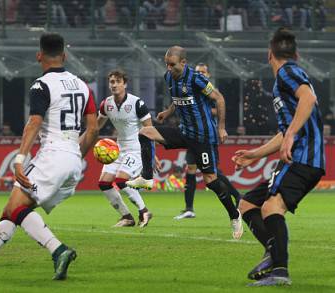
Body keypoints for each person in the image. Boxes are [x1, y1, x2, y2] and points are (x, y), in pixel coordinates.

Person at [0, 32, 99, 280]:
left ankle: (58, 249)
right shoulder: (83, 85)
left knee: (16, 209)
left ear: (39, 55)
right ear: (65, 55)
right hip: (73, 158)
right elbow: (93, 129)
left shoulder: (42, 85)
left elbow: (33, 124)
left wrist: (19, 160)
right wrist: (76, 157)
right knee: (12, 210)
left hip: (53, 154)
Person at [233, 28, 325, 286]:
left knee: (272, 207)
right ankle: (273, 256)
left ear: (269, 54)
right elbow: (286, 131)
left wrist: (291, 135)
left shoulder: (287, 72)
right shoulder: (287, 79)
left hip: (304, 158)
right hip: (302, 156)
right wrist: (254, 154)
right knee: (247, 205)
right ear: (296, 53)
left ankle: (280, 270)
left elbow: (308, 98)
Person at [126, 46, 243, 239]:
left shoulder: (196, 79)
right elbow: (177, 98)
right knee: (145, 132)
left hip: (203, 137)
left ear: (183, 63)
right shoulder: (169, 77)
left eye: (172, 65)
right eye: (167, 64)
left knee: (211, 180)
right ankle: (147, 178)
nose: (169, 68)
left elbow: (219, 99)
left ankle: (234, 214)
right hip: (184, 132)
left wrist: (221, 127)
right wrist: (168, 112)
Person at [174, 63, 241, 220]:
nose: (201, 74)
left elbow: (219, 107)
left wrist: (200, 108)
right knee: (191, 168)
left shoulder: (209, 90)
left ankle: (238, 197)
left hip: (206, 134)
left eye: (203, 72)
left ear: (208, 74)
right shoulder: (192, 87)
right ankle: (189, 208)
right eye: (198, 72)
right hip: (192, 134)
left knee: (212, 172)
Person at [97, 69, 154, 228]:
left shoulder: (137, 103)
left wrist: (151, 155)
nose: (114, 85)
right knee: (104, 183)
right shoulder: (106, 104)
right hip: (117, 149)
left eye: (118, 82)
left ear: (125, 84)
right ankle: (127, 217)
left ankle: (144, 211)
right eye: (111, 82)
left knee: (121, 180)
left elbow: (150, 130)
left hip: (136, 148)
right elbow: (96, 127)